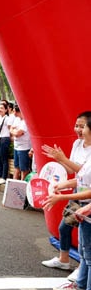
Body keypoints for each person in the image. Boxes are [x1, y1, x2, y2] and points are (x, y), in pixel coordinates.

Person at [41, 112, 91, 280]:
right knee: (67, 229)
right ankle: (67, 262)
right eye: (76, 125)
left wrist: (62, 158)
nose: (78, 129)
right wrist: (59, 159)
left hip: (87, 197)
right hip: (79, 191)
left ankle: (82, 274)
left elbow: (84, 173)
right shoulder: (77, 143)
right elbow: (73, 172)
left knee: (85, 242)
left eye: (82, 126)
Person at [10, 105, 32, 180]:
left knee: (24, 169)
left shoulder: (25, 121)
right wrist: (14, 131)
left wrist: (14, 132)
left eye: (14, 111)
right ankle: (14, 184)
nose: (13, 113)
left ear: (17, 111)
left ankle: (23, 185)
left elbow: (18, 134)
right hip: (16, 146)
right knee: (16, 167)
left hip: (24, 148)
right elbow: (11, 129)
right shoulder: (17, 119)